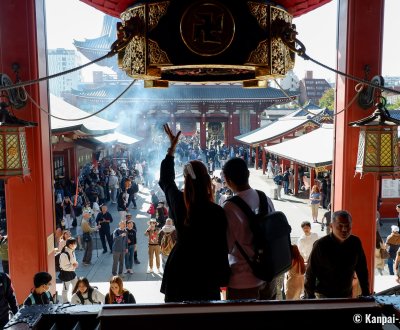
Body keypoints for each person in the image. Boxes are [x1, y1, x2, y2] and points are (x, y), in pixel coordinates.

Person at [158, 124, 230, 302]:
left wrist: (171, 150)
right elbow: (222, 247)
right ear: (207, 180)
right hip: (206, 270)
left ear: (186, 180)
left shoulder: (179, 202)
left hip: (179, 267)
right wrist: (223, 278)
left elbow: (166, 180)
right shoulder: (217, 211)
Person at [222, 157, 277, 300]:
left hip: (243, 281)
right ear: (248, 174)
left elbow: (225, 247)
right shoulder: (265, 198)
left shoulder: (229, 208)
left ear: (228, 181)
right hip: (268, 275)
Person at [304, 210, 370, 298]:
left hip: (346, 294)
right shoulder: (321, 245)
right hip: (323, 295)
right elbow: (310, 273)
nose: (344, 229)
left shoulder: (355, 242)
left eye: (347, 226)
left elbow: (362, 270)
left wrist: (366, 293)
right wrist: (309, 298)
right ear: (331, 226)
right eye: (340, 225)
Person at [59, 237, 79, 303]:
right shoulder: (64, 254)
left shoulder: (72, 251)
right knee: (65, 289)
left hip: (72, 272)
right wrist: (73, 266)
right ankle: (65, 301)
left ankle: (75, 299)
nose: (75, 245)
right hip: (66, 273)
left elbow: (73, 261)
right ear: (70, 245)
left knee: (76, 286)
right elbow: (64, 266)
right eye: (74, 244)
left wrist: (75, 264)